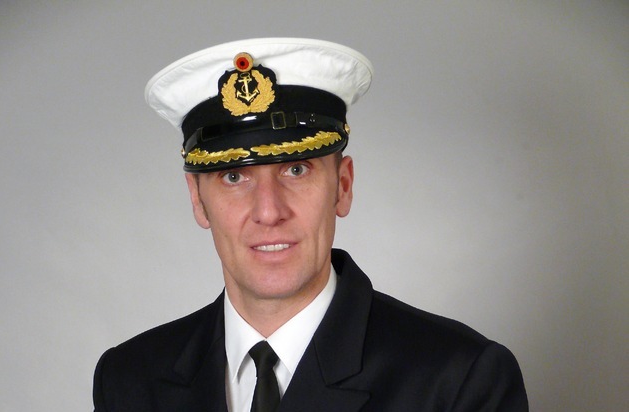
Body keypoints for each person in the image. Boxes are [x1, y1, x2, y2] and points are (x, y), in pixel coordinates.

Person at [93, 38, 528, 412]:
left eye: (296, 170)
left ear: (342, 186)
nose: (269, 211)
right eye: (234, 177)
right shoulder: (130, 380)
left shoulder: (458, 380)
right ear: (197, 199)